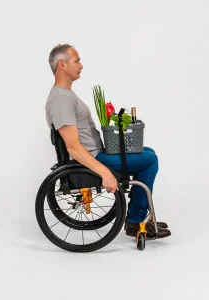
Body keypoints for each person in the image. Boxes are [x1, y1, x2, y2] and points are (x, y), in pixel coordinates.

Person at [45, 44, 171, 239]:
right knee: (150, 160)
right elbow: (73, 148)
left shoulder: (65, 95)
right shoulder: (61, 100)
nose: (81, 65)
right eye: (77, 61)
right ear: (62, 64)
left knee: (149, 152)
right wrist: (105, 173)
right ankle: (135, 222)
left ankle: (136, 214)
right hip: (90, 159)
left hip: (95, 153)